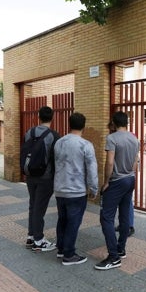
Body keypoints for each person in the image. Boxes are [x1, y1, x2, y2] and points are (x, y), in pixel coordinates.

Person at [96, 111, 140, 270]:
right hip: (130, 179)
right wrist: (130, 174)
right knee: (124, 214)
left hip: (116, 181)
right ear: (126, 122)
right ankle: (121, 249)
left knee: (106, 217)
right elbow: (136, 163)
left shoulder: (112, 138)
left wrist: (106, 182)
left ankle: (113, 257)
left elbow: (109, 163)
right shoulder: (134, 139)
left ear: (113, 123)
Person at [53, 112, 98, 265]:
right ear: (83, 126)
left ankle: (61, 249)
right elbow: (92, 168)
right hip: (76, 191)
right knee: (73, 222)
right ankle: (69, 254)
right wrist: (93, 188)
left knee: (62, 220)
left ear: (69, 124)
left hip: (60, 188)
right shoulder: (85, 145)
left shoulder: (59, 142)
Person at [23, 106, 60, 252]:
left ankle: (31, 236)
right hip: (46, 177)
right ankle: (39, 240)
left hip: (29, 175)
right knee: (40, 208)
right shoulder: (54, 135)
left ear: (39, 117)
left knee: (33, 205)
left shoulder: (29, 132)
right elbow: (56, 159)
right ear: (53, 117)